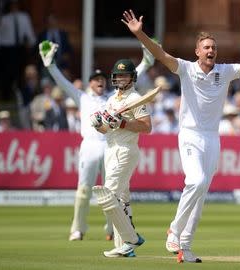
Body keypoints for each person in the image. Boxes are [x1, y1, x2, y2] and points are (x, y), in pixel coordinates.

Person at [121, 9, 240, 263]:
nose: (210, 50)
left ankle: (187, 246)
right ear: (197, 52)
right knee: (196, 180)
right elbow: (161, 55)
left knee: (202, 191)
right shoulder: (185, 68)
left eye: (213, 47)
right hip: (190, 135)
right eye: (206, 47)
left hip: (212, 138)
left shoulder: (225, 71)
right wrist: (140, 34)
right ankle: (174, 229)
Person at [39, 40, 155, 242]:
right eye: (95, 79)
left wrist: (146, 61)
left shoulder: (114, 97)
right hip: (91, 146)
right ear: (90, 83)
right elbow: (63, 84)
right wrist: (51, 66)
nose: (99, 82)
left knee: (113, 192)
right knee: (85, 190)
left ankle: (113, 230)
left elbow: (128, 76)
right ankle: (78, 229)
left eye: (102, 79)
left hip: (113, 145)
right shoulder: (82, 97)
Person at [90, 58, 152, 258]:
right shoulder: (111, 100)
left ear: (132, 77)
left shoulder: (135, 98)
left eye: (124, 75)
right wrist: (98, 123)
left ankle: (132, 238)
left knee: (108, 195)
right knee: (122, 201)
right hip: (110, 149)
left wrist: (124, 123)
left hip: (126, 149)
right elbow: (106, 130)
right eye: (118, 75)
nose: (120, 78)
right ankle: (125, 246)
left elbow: (147, 127)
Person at [0, 0, 35, 100]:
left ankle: (21, 96)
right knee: (7, 72)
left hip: (19, 48)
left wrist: (32, 42)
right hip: (7, 49)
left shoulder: (24, 17)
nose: (14, 6)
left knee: (20, 72)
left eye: (16, 4)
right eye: (12, 5)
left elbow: (28, 31)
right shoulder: (5, 18)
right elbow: (0, 33)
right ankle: (5, 95)